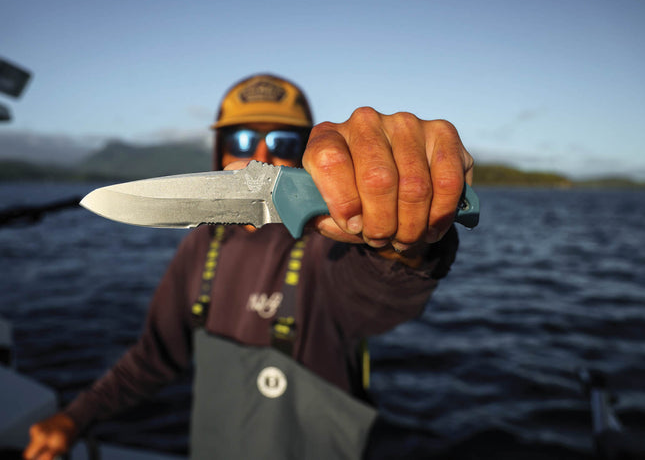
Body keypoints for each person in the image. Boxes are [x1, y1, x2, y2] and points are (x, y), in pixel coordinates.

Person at [24, 73, 473, 460]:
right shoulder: (202, 247)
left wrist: (402, 241)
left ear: (308, 155)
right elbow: (154, 356)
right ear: (220, 151)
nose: (258, 155)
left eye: (282, 141)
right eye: (241, 139)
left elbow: (379, 296)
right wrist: (73, 418)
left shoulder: (328, 247)